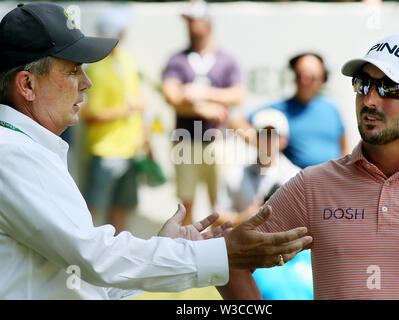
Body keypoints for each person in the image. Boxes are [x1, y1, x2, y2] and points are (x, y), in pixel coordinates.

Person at [0, 2, 312, 299]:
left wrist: (168, 248)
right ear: (27, 84)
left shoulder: (24, 148)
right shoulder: (12, 152)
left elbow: (82, 277)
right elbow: (94, 258)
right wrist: (219, 253)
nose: (86, 83)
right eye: (72, 71)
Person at [218, 34, 399, 300]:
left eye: (388, 87)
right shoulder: (313, 185)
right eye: (363, 84)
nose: (370, 99)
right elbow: (230, 260)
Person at [161, 0, 246, 225]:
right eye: (188, 22)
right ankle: (187, 248)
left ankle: (214, 250)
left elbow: (237, 95)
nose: (190, 27)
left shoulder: (226, 60)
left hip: (216, 141)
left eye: (194, 21)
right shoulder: (177, 59)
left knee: (218, 203)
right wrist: (205, 108)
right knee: (185, 204)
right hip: (185, 140)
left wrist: (197, 92)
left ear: (208, 23)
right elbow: (171, 96)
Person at [214, 108, 313, 299]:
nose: (268, 140)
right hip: (248, 255)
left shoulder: (298, 177)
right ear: (254, 138)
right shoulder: (234, 175)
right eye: (263, 134)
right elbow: (217, 219)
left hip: (291, 255)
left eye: (273, 135)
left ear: (284, 140)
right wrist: (244, 217)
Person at [80, 9, 147, 234]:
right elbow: (89, 115)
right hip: (105, 152)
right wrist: (127, 109)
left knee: (121, 209)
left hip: (130, 151)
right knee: (91, 209)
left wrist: (144, 138)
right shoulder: (95, 68)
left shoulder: (126, 60)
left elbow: (137, 105)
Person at [232, 52, 347, 169]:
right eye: (300, 76)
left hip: (333, 181)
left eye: (311, 77)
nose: (304, 81)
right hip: (298, 181)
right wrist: (263, 145)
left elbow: (343, 145)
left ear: (322, 79)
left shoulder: (331, 108)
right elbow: (237, 122)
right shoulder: (281, 109)